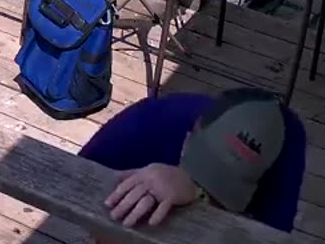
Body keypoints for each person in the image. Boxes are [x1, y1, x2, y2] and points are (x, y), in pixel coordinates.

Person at [77, 87, 306, 233]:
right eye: (204, 172)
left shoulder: (285, 155)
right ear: (187, 140)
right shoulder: (145, 125)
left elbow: (269, 236)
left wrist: (196, 193)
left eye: (222, 191)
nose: (209, 195)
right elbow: (78, 180)